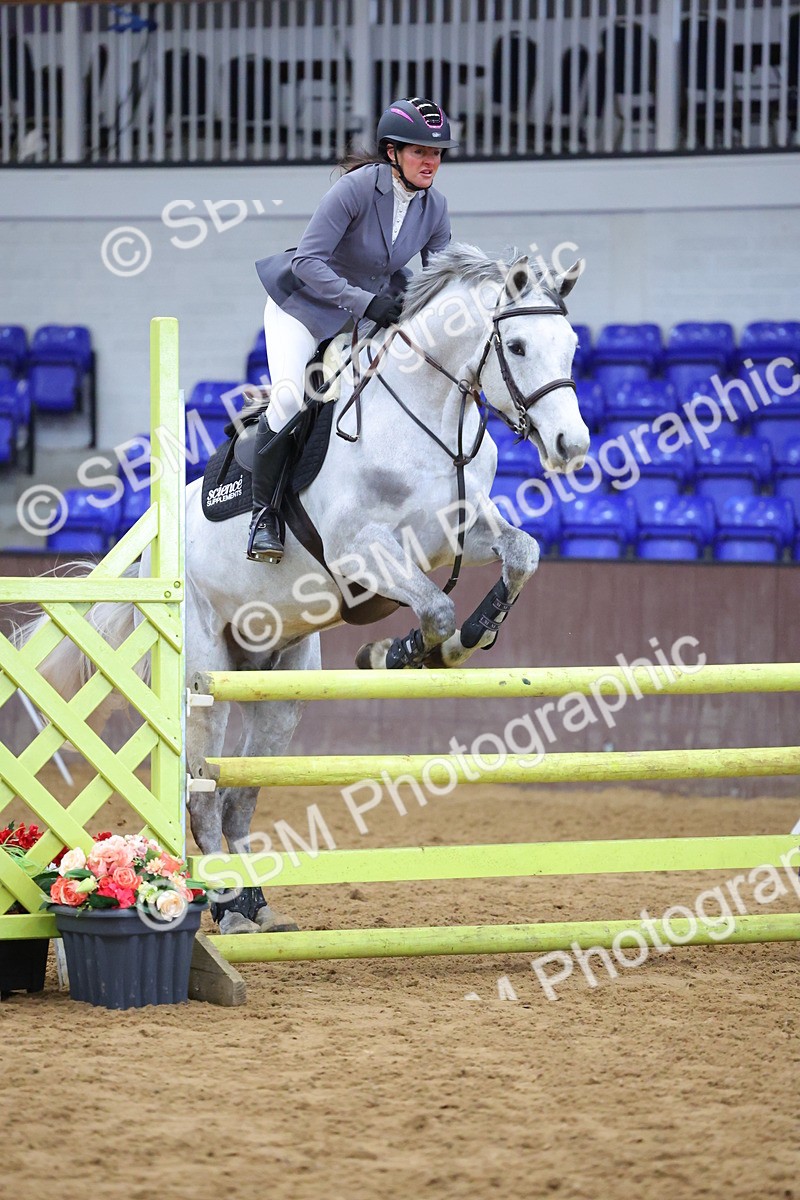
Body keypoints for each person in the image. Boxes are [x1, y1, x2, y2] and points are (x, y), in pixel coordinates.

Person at [248, 96, 459, 563]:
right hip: (301, 305)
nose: (431, 162)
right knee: (288, 398)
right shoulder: (357, 190)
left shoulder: (435, 208)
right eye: (421, 151)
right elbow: (306, 261)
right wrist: (368, 302)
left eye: (437, 153)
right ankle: (265, 515)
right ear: (392, 153)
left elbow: (440, 279)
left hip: (363, 314)